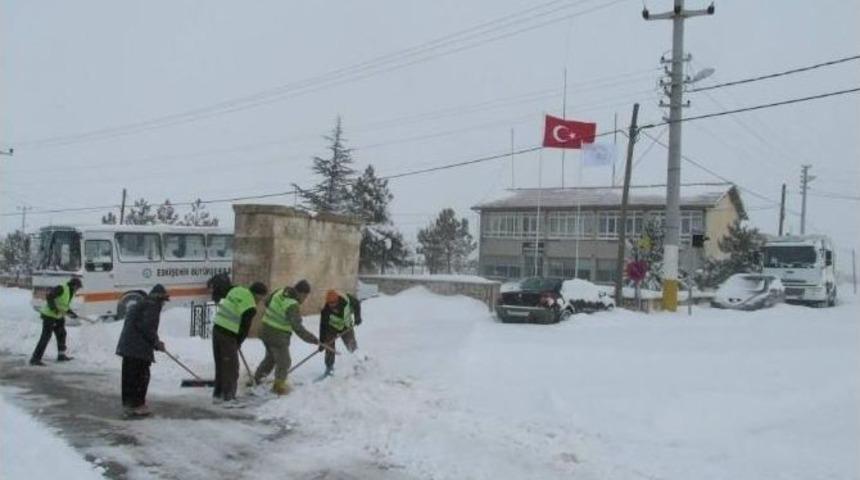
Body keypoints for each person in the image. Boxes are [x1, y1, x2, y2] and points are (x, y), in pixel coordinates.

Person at [252, 280, 320, 395]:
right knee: (284, 361)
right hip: (276, 335)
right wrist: (313, 339)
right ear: (301, 293)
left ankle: (257, 379)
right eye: (305, 296)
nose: (305, 299)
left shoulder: (280, 291)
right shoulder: (292, 304)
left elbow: (267, 302)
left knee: (270, 358)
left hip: (264, 329)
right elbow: (297, 327)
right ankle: (278, 387)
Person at [115, 284, 169, 417]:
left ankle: (129, 404)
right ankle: (137, 405)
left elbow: (143, 326)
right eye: (163, 301)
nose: (163, 304)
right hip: (137, 348)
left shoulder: (143, 304)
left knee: (129, 377)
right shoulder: (152, 306)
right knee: (141, 377)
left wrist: (156, 342)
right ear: (159, 298)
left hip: (128, 346)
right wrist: (156, 343)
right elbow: (147, 327)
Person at [212, 281, 268, 406]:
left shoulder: (236, 290)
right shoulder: (250, 307)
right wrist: (238, 343)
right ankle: (229, 397)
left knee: (221, 364)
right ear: (257, 294)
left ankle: (218, 394)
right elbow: (244, 328)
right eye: (261, 298)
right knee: (231, 368)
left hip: (217, 329)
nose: (260, 301)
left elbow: (224, 294)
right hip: (228, 334)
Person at [30, 277, 82, 366]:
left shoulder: (70, 292)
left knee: (62, 334)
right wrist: (53, 308)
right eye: (78, 287)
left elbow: (63, 305)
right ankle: (35, 359)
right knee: (46, 336)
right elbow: (49, 296)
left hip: (58, 316)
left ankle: (61, 355)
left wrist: (71, 313)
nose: (78, 290)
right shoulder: (61, 288)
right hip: (49, 315)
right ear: (74, 286)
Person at [319, 289, 362, 377]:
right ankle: (329, 368)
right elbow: (323, 327)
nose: (332, 305)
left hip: (346, 326)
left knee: (351, 345)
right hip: (331, 328)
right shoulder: (325, 311)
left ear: (338, 299)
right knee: (329, 347)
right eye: (330, 303)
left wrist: (357, 317)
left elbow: (356, 303)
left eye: (334, 303)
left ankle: (359, 364)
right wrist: (322, 342)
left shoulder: (346, 299)